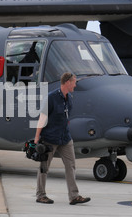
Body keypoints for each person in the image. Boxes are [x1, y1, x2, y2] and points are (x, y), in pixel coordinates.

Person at [34, 72, 91, 205]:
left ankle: (74, 196)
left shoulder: (69, 98)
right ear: (67, 83)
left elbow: (66, 118)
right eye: (74, 82)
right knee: (44, 167)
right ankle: (40, 195)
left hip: (65, 138)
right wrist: (37, 137)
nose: (75, 85)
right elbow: (42, 117)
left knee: (71, 165)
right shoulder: (51, 98)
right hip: (50, 138)